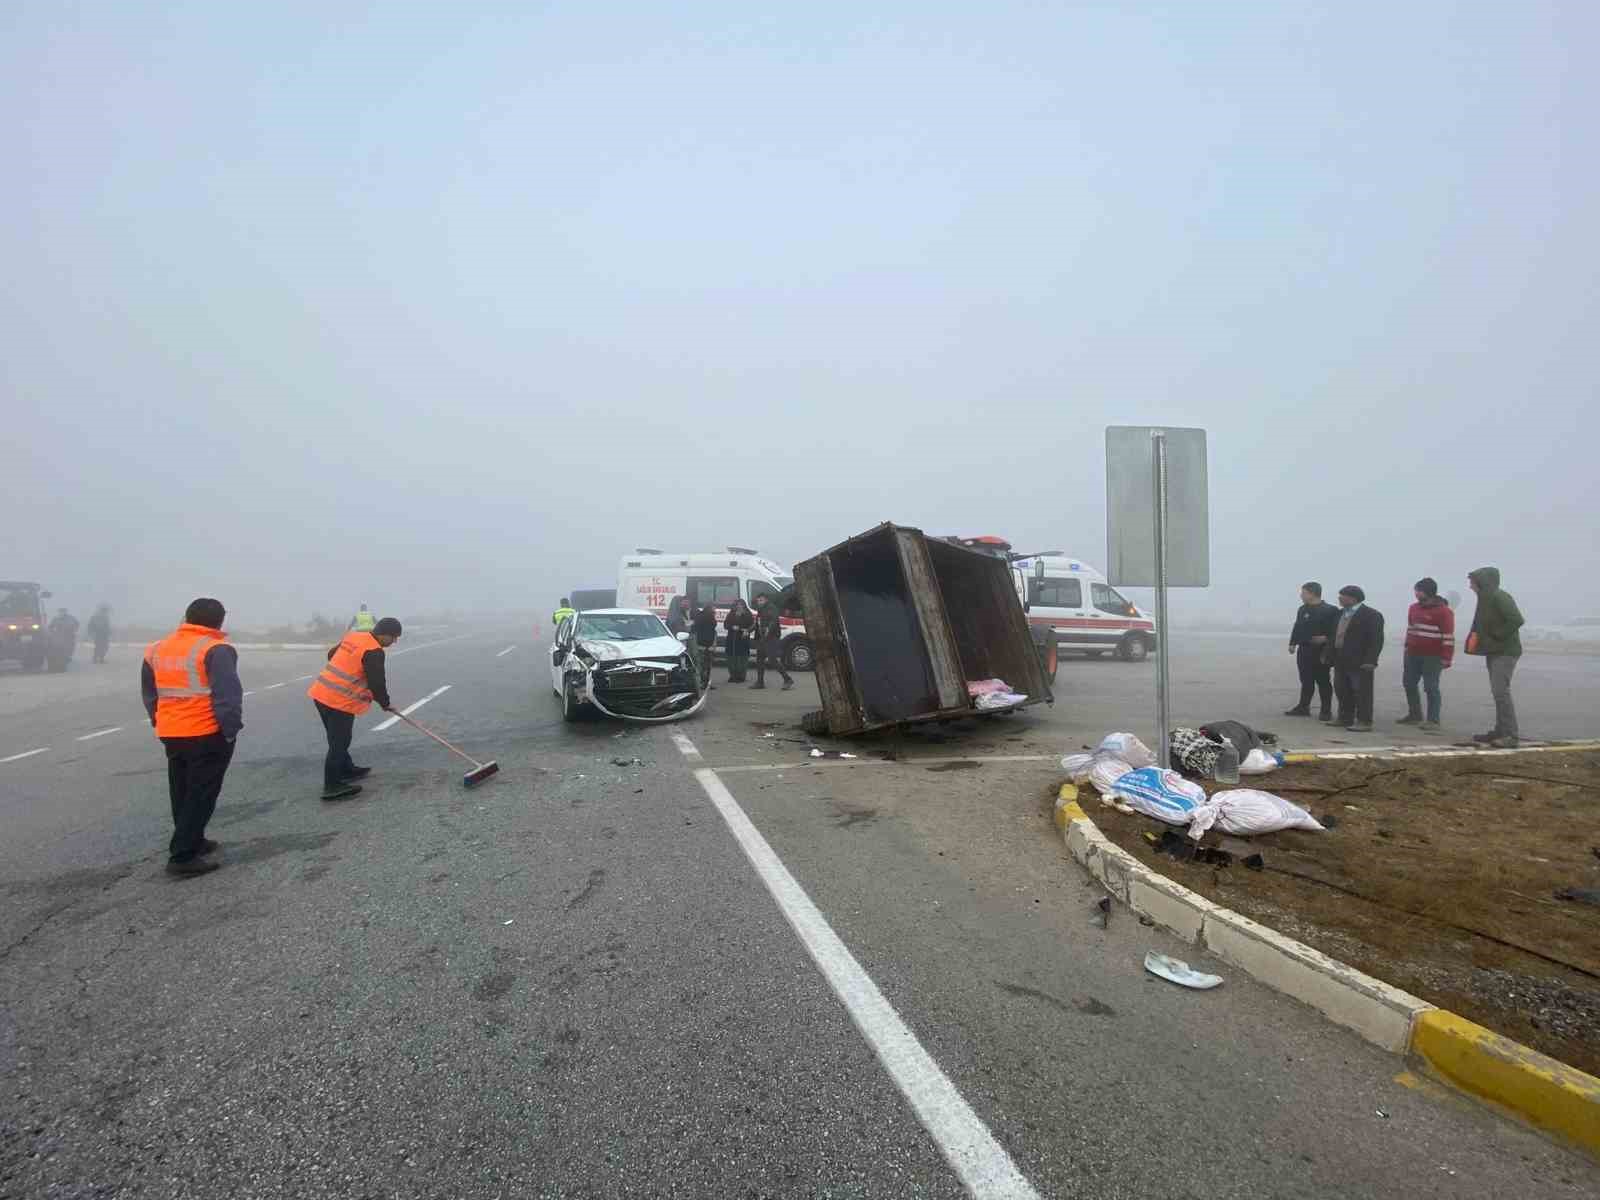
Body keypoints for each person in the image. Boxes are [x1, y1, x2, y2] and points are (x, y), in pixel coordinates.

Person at [140, 598, 243, 877]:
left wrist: (159, 719)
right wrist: (230, 730)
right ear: (220, 621)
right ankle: (183, 856)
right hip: (206, 731)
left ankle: (193, 839)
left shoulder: (157, 649)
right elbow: (228, 695)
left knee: (182, 789)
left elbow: (150, 693)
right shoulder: (216, 649)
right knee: (202, 793)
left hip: (171, 731)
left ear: (186, 616)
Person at [307, 616, 402, 801]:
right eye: (394, 637)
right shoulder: (374, 651)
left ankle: (346, 769)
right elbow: (377, 682)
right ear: (384, 635)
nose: (394, 641)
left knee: (336, 738)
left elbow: (331, 655)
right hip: (338, 701)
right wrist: (385, 703)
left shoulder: (355, 636)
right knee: (339, 742)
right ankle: (332, 785)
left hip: (321, 693)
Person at [1465, 567, 1524, 748]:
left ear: (1482, 582)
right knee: (1498, 693)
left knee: (1501, 692)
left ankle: (1511, 735)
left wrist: (1497, 635)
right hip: (1495, 651)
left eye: (1472, 583)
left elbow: (1516, 619)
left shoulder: (1499, 597)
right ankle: (1500, 731)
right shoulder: (1485, 600)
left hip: (1505, 652)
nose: (1470, 587)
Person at [1323, 585, 1384, 731]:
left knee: (1362, 692)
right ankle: (1344, 718)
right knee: (1341, 689)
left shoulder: (1371, 615)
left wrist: (1371, 660)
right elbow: (1333, 635)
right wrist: (1327, 654)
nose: (1339, 598)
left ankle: (1364, 721)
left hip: (1360, 660)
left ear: (1352, 598)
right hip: (1340, 658)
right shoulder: (1339, 614)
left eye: (1342, 596)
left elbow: (1376, 640)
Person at [1399, 577, 1454, 731]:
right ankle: (1415, 714)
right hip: (1412, 654)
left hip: (1433, 656)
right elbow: (1411, 628)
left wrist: (1446, 658)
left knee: (1431, 687)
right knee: (1409, 683)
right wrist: (1406, 647)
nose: (1416, 593)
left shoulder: (1444, 611)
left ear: (1427, 592)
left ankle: (1433, 719)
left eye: (1418, 590)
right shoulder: (1413, 608)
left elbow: (1448, 636)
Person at [1284, 582, 1339, 718]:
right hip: (1304, 650)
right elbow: (1297, 627)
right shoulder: (1302, 609)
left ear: (1312, 593)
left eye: (1303, 593)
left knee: (1323, 680)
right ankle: (1303, 707)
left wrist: (1326, 638)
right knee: (1306, 680)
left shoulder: (1331, 610)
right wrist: (1293, 643)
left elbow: (1337, 630)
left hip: (1322, 651)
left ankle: (1326, 710)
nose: (1301, 595)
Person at [750, 593, 794, 690]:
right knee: (760, 660)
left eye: (761, 600)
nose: (759, 602)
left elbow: (773, 621)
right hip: (762, 638)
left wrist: (768, 630)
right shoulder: (761, 610)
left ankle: (788, 679)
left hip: (771, 638)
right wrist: (748, 630)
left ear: (766, 600)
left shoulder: (771, 608)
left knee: (772, 660)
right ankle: (760, 682)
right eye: (758, 601)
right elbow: (757, 623)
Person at [723, 598, 755, 683]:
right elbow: (725, 625)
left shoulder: (748, 614)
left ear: (744, 606)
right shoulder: (731, 614)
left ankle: (741, 676)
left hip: (743, 639)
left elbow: (753, 625)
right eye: (738, 605)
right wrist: (732, 627)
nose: (739, 607)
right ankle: (733, 675)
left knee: (742, 658)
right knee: (731, 658)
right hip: (732, 639)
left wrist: (747, 631)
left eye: (741, 605)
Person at [691, 603, 719, 689]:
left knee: (705, 665)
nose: (715, 609)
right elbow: (697, 631)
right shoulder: (704, 618)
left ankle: (705, 683)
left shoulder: (704, 616)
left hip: (705, 644)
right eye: (714, 608)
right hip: (704, 644)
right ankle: (704, 683)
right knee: (704, 665)